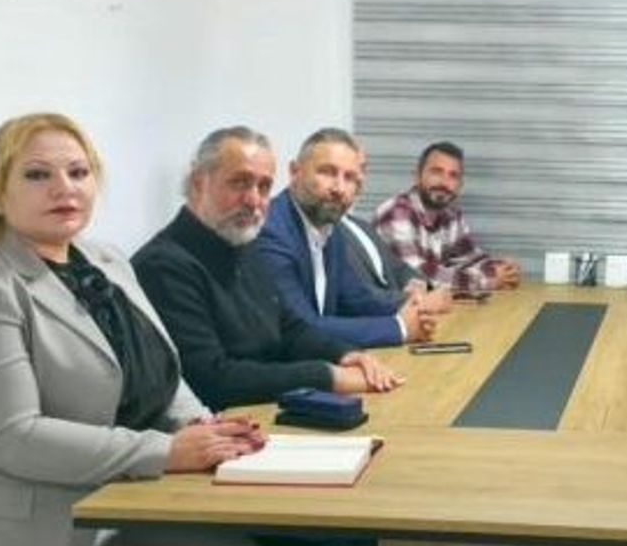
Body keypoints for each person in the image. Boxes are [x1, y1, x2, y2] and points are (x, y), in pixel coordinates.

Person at [0, 114, 262, 546]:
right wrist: (167, 451)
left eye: (78, 172)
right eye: (37, 174)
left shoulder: (106, 261)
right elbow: (13, 436)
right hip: (19, 520)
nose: (65, 188)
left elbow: (162, 375)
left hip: (121, 495)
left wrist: (206, 428)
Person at [133, 126, 402, 412]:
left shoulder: (242, 243)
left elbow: (289, 327)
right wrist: (328, 376)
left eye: (263, 187)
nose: (254, 201)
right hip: (218, 426)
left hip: (263, 412)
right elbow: (213, 380)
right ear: (199, 182)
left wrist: (346, 355)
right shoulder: (163, 266)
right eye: (240, 183)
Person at [257, 127, 451, 347]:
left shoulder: (330, 228)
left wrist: (416, 307)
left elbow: (356, 299)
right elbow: (300, 327)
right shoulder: (271, 230)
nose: (339, 188)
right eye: (327, 172)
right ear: (295, 172)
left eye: (349, 178)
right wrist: (400, 328)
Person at [374, 141, 521, 292]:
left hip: (429, 304)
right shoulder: (396, 213)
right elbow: (414, 275)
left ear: (460, 186)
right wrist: (488, 280)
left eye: (453, 176)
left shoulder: (451, 215)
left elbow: (470, 260)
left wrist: (502, 270)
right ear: (417, 176)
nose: (444, 183)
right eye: (436, 172)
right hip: (392, 305)